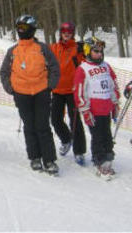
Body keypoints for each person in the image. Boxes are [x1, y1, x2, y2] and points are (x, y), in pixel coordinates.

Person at [0, 15, 60, 175]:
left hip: (41, 92)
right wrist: (10, 87)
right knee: (30, 126)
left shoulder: (42, 48)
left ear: (32, 29)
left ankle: (49, 159)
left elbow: (55, 67)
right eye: (18, 27)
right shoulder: (12, 51)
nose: (21, 31)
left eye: (24, 28)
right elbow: (4, 71)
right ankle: (34, 157)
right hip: (21, 94)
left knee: (43, 126)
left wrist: (50, 85)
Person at [74, 37, 120, 179]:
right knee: (97, 136)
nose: (99, 54)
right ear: (88, 51)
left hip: (106, 108)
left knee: (107, 135)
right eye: (96, 51)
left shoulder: (106, 66)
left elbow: (113, 85)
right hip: (94, 110)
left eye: (101, 51)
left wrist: (115, 104)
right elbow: (79, 92)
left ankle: (108, 159)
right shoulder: (83, 69)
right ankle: (99, 161)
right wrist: (85, 111)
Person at [49, 21, 86, 165]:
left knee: (75, 121)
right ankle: (66, 140)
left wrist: (85, 50)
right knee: (55, 119)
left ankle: (79, 151)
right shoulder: (54, 48)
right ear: (60, 32)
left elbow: (89, 61)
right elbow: (44, 60)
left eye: (69, 31)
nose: (66, 33)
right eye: (64, 31)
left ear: (73, 33)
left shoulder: (77, 48)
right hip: (57, 90)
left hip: (73, 90)